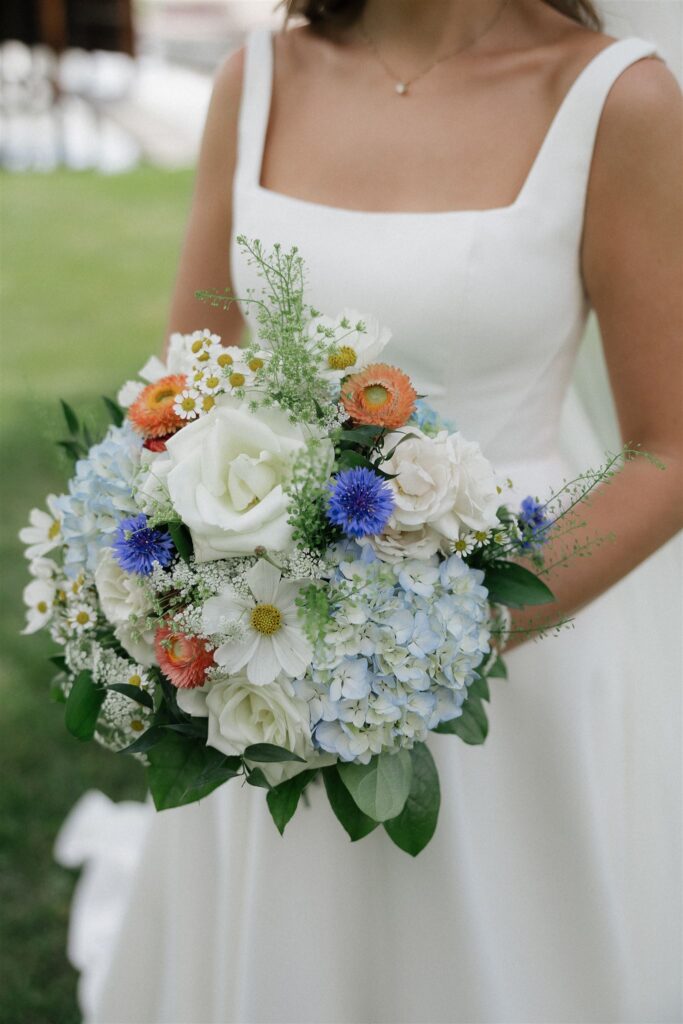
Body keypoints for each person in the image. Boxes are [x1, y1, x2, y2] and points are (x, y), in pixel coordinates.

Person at [55, 1, 682, 1021]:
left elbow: (668, 448)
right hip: (258, 651)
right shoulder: (256, 79)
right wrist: (176, 576)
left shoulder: (614, 98)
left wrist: (437, 642)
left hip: (507, 661)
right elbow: (184, 381)